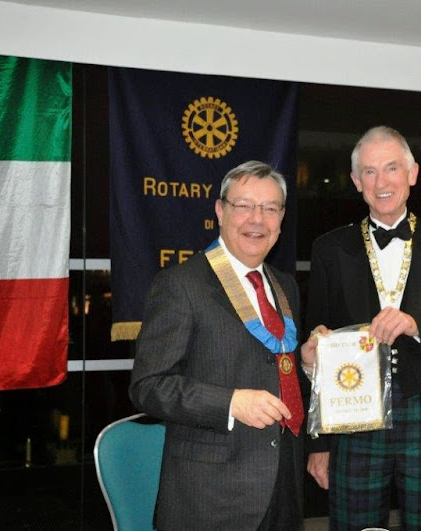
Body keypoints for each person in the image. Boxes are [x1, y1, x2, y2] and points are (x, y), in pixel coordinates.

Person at [305, 126, 421, 530]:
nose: (382, 182)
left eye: (392, 168)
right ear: (356, 182)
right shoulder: (329, 249)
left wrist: (417, 324)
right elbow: (315, 344)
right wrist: (318, 442)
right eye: (370, 172)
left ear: (412, 173)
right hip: (352, 421)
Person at [130, 160, 317, 531]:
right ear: (220, 210)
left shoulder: (285, 286)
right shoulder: (181, 285)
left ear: (281, 218)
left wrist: (305, 364)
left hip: (284, 483)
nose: (257, 219)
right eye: (244, 205)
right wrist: (230, 403)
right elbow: (148, 386)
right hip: (212, 496)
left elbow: (271, 364)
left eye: (270, 208)